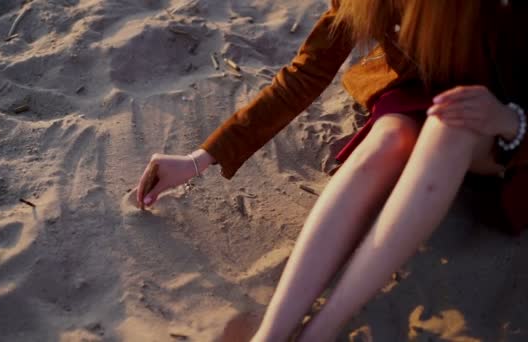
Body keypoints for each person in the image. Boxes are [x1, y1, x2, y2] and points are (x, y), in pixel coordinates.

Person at [135, 0, 528, 340]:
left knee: (450, 128)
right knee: (389, 139)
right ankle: (272, 333)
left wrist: (508, 121)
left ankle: (320, 332)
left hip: (503, 125)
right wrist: (200, 158)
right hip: (421, 95)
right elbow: (307, 72)